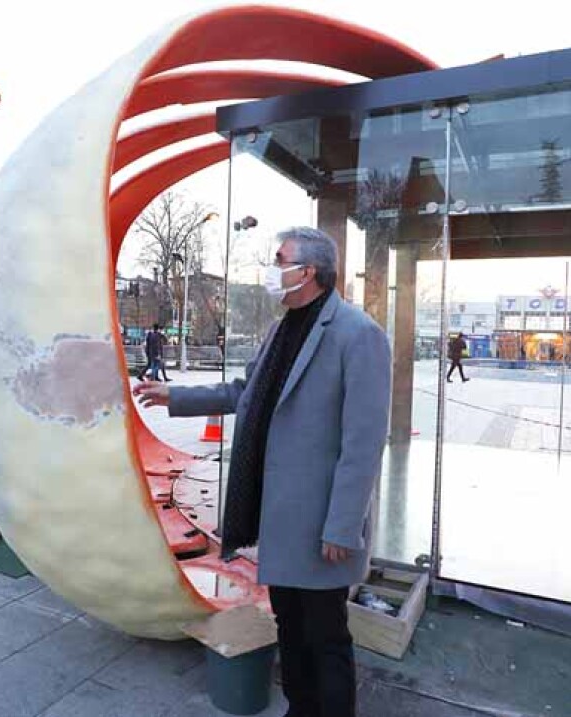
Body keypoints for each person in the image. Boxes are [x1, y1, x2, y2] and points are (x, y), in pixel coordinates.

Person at [134, 227, 390, 717]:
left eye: (280, 260)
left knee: (326, 636)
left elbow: (363, 444)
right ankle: (301, 709)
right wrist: (176, 396)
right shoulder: (282, 328)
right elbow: (244, 392)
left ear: (308, 271)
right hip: (281, 517)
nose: (273, 269)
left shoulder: (359, 335)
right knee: (291, 628)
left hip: (322, 525)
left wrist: (342, 526)